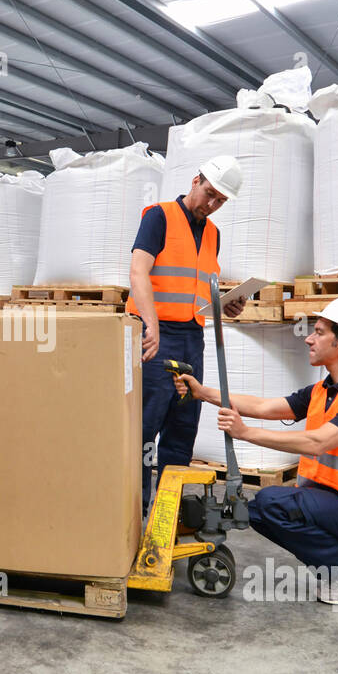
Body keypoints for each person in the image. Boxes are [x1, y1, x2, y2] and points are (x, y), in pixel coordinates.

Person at [172, 297, 338, 605]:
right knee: (257, 510)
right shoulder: (324, 390)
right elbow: (264, 406)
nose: (309, 338)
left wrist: (245, 433)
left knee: (272, 505)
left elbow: (317, 442)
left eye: (320, 332)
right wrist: (203, 393)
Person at [127, 155, 246, 515]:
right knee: (145, 428)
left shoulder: (213, 233)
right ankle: (132, 518)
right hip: (153, 336)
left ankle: (166, 515)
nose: (212, 205)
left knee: (183, 426)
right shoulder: (158, 217)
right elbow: (138, 272)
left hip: (192, 337)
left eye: (220, 201)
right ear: (196, 181)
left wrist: (226, 306)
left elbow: (195, 286)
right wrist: (152, 324)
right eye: (209, 194)